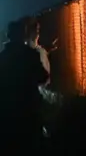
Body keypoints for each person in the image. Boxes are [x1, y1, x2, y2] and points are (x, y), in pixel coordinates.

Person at [0, 18, 50, 149]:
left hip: (7, 115)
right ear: (23, 35)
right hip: (28, 113)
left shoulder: (2, 57)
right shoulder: (30, 55)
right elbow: (43, 77)